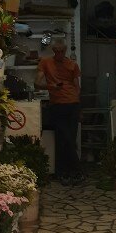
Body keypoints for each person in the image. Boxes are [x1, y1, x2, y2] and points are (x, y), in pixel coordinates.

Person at [35, 38, 83, 186]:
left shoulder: (72, 65)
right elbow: (37, 83)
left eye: (62, 51)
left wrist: (78, 106)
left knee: (69, 138)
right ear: (53, 51)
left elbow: (77, 87)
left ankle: (67, 172)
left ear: (66, 50)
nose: (59, 54)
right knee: (64, 139)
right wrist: (51, 86)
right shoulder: (46, 62)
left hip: (72, 104)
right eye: (57, 51)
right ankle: (73, 171)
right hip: (58, 105)